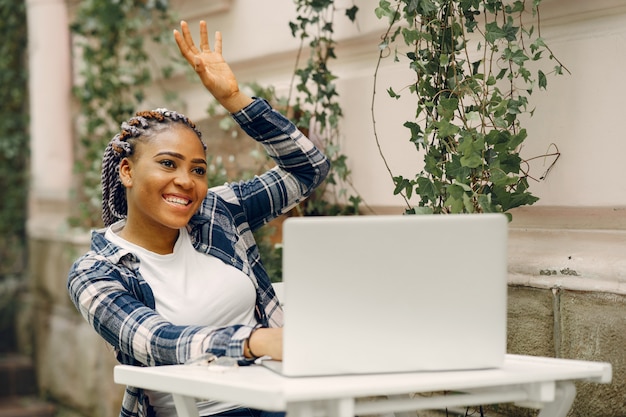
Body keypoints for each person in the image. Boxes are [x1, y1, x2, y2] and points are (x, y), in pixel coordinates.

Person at [67, 20, 330, 417]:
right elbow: (155, 341)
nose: (185, 182)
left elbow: (307, 168)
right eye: (168, 164)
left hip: (281, 397)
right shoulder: (94, 272)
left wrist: (235, 99)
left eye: (198, 170)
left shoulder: (218, 212)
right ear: (126, 171)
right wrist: (255, 341)